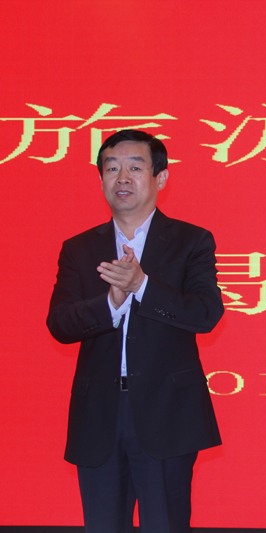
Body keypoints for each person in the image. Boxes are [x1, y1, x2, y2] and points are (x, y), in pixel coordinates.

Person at [47, 129, 224, 532]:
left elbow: (205, 313)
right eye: (111, 168)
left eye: (135, 167)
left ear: (161, 178)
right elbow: (59, 324)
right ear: (101, 180)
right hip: (99, 415)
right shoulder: (79, 248)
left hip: (167, 413)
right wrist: (110, 302)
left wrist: (141, 285)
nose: (122, 178)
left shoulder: (191, 241)